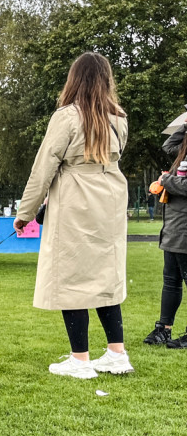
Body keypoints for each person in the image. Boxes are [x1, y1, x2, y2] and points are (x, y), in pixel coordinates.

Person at [14, 51, 131, 379]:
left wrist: (25, 213)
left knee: (71, 276)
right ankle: (116, 353)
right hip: (109, 202)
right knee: (105, 274)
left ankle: (80, 359)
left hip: (75, 202)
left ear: (74, 79)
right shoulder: (118, 117)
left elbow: (43, 169)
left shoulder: (66, 117)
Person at [143, 122, 187, 348]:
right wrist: (184, 127)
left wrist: (166, 180)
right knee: (171, 281)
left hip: (185, 229)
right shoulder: (182, 152)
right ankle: (164, 329)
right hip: (173, 226)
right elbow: (168, 146)